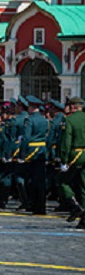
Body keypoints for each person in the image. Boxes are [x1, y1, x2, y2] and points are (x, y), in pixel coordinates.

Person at [20, 96, 49, 215]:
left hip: (31, 150)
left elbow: (26, 137)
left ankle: (33, 204)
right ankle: (41, 206)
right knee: (41, 180)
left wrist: (23, 153)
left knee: (31, 180)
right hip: (42, 149)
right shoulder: (44, 120)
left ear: (32, 107)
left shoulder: (29, 120)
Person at [59, 97, 85, 229]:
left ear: (73, 107)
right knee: (84, 186)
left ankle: (75, 207)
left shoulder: (70, 120)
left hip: (76, 155)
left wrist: (64, 160)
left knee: (64, 182)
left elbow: (66, 142)